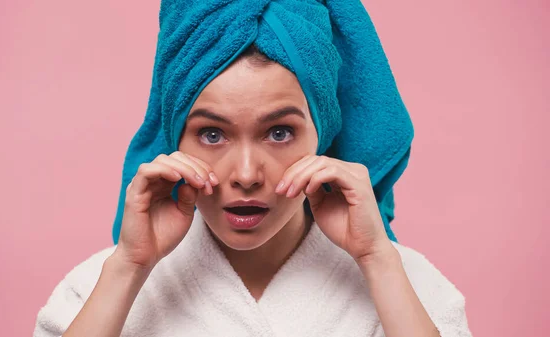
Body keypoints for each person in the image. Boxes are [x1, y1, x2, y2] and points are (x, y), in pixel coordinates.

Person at [34, 1, 472, 336]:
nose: (246, 174)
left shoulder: (406, 286)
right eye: (211, 134)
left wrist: (378, 259)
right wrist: (129, 266)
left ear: (321, 135)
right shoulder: (99, 288)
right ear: (174, 140)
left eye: (279, 133)